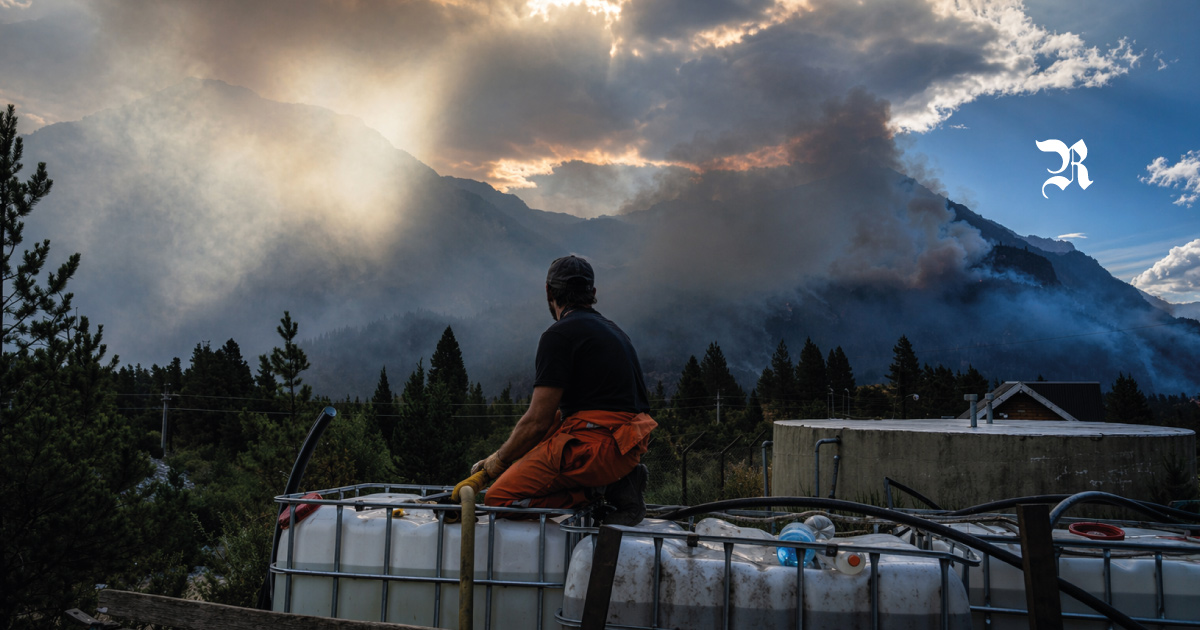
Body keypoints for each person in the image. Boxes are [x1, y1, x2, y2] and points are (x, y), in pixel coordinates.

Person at [452, 255, 656, 525]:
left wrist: (495, 465)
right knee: (548, 439)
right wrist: (512, 459)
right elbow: (558, 419)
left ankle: (602, 489)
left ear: (548, 291)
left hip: (597, 450)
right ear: (592, 293)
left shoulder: (559, 334)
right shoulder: (614, 331)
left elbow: (538, 421)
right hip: (627, 449)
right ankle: (615, 482)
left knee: (501, 499)